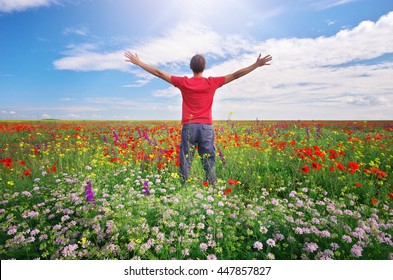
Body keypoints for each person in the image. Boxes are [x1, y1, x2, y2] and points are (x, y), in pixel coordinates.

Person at [124, 51, 272, 185]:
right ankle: (212, 187)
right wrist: (256, 65)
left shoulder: (184, 82)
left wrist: (140, 63)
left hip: (189, 127)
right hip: (206, 128)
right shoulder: (212, 82)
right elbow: (235, 75)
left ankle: (183, 187)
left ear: (190, 67)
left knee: (186, 160)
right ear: (204, 67)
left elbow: (159, 73)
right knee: (209, 160)